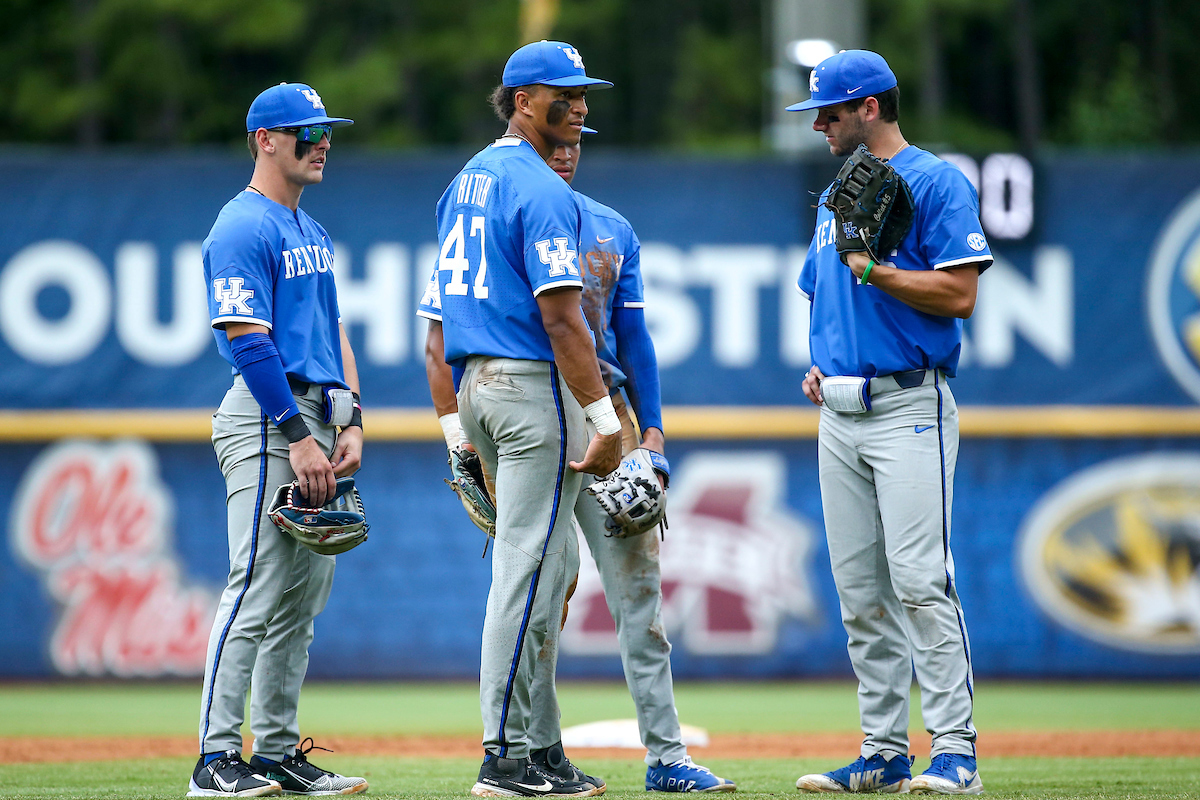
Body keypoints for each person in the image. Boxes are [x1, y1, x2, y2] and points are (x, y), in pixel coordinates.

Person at [421, 133, 736, 794]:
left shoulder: (612, 229)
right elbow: (438, 339)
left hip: (606, 417)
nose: (566, 150)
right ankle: (541, 752)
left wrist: (649, 435)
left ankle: (667, 757)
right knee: (543, 589)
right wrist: (460, 440)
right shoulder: (499, 212)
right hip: (541, 407)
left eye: (576, 140)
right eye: (557, 138)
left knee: (638, 593)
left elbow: (634, 338)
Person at [786, 50, 992, 795]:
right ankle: (881, 752)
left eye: (831, 112)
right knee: (859, 591)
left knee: (917, 580)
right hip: (839, 411)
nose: (819, 124)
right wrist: (824, 362)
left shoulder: (936, 181)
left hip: (909, 403)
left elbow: (960, 294)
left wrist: (875, 269)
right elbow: (822, 291)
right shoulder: (836, 195)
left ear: (870, 106)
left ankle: (956, 752)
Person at [424, 40, 623, 798]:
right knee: (525, 574)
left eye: (582, 93)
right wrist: (605, 419)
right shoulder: (538, 187)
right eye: (561, 94)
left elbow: (437, 329)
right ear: (520, 100)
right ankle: (502, 755)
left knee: (554, 570)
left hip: (480, 383)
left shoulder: (467, 179)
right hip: (530, 385)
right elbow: (564, 320)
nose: (577, 105)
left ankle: (540, 750)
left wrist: (458, 433)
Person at [192, 82, 367, 798]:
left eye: (327, 131)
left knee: (300, 601)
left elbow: (334, 334)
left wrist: (351, 418)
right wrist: (298, 435)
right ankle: (214, 758)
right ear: (265, 139)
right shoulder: (241, 226)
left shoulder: (312, 232)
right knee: (256, 588)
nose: (322, 142)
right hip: (270, 417)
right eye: (307, 131)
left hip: (317, 417)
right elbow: (245, 339)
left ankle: (273, 754)